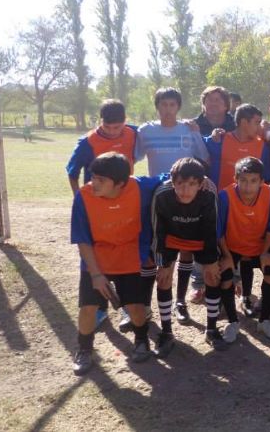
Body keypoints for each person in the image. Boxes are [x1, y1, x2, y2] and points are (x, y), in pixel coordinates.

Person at [69, 152, 164, 375]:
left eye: (101, 180)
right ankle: (84, 349)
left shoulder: (139, 187)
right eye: (93, 177)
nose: (93, 183)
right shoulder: (83, 197)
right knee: (87, 308)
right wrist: (96, 275)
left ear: (121, 183)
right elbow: (82, 240)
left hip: (128, 256)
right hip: (96, 260)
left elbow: (167, 177)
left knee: (135, 307)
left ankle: (141, 340)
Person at [65, 99, 141, 331]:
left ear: (125, 123)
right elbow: (72, 171)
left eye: (117, 127)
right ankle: (98, 308)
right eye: (107, 127)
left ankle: (128, 309)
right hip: (96, 202)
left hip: (122, 198)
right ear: (101, 122)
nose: (112, 132)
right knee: (93, 248)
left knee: (123, 247)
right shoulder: (88, 142)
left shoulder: (133, 133)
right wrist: (81, 198)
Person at [151, 158, 219, 357]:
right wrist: (163, 263)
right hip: (171, 237)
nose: (185, 190)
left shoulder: (208, 192)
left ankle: (212, 329)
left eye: (191, 184)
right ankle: (166, 332)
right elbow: (158, 231)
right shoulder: (162, 195)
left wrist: (211, 261)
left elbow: (211, 229)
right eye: (180, 183)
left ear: (200, 183)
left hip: (198, 236)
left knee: (212, 276)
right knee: (163, 279)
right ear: (173, 182)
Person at [217, 157, 270, 342]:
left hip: (259, 247)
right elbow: (219, 230)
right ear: (235, 179)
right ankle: (232, 321)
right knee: (226, 276)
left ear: (262, 181)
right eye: (243, 180)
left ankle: (264, 322)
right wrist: (227, 256)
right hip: (232, 247)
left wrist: (265, 252)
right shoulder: (224, 196)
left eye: (254, 181)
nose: (248, 186)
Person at [134, 87, 209, 177]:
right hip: (157, 187)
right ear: (157, 106)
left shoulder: (190, 129)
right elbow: (134, 158)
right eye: (164, 104)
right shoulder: (145, 131)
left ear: (178, 107)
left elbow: (205, 158)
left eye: (172, 105)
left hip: (184, 187)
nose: (168, 109)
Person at [204, 103, 270, 189]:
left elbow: (266, 179)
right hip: (220, 199)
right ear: (244, 122)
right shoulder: (219, 140)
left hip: (249, 201)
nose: (259, 128)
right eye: (257, 123)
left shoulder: (262, 146)